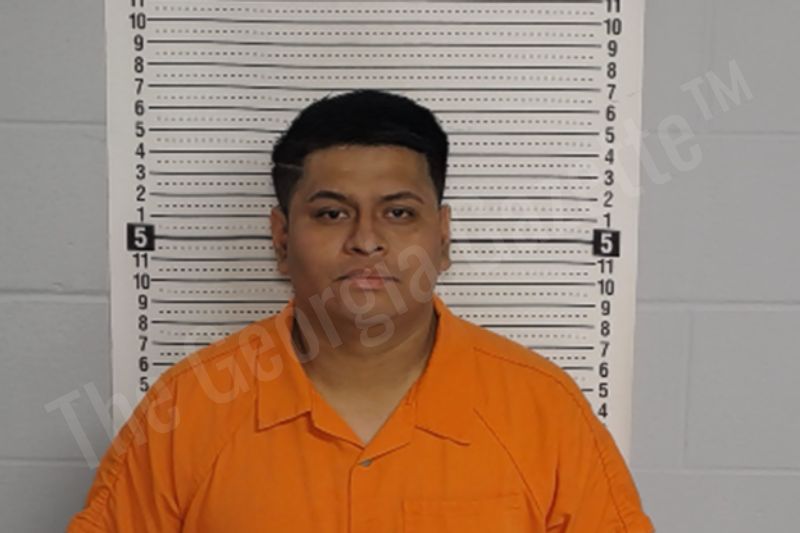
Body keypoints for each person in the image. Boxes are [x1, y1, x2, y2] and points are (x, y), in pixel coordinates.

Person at [68, 90, 654, 532]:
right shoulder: (187, 411)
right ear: (280, 238)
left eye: (399, 213)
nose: (367, 241)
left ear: (443, 236)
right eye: (331, 213)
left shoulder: (543, 411)